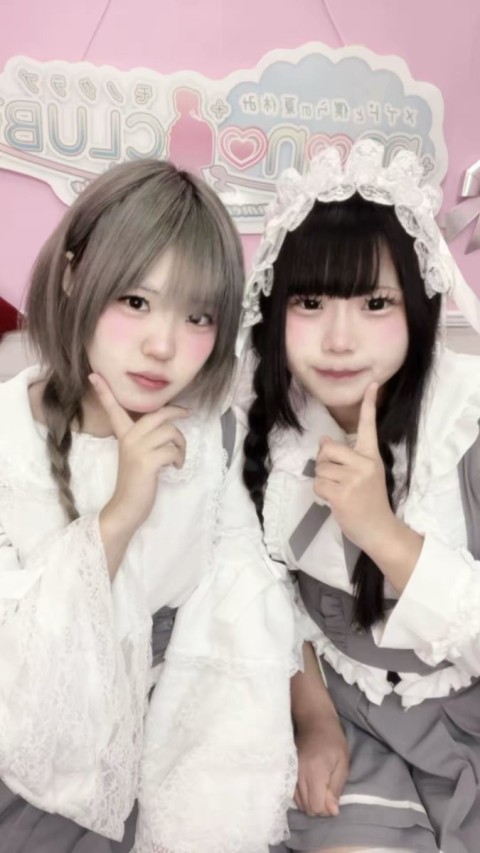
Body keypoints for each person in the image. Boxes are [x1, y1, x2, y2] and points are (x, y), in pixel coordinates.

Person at [0, 159, 298, 853]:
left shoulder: (211, 434)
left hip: (175, 751)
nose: (163, 346)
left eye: (197, 316)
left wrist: (314, 723)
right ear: (73, 275)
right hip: (34, 768)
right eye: (136, 300)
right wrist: (120, 513)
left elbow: (246, 595)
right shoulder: (8, 436)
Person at [241, 138, 480, 853]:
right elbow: (267, 593)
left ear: (419, 307)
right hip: (344, 716)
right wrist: (313, 718)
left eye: (375, 302)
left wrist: (380, 529)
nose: (339, 339)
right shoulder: (265, 425)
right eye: (311, 301)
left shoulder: (464, 427)